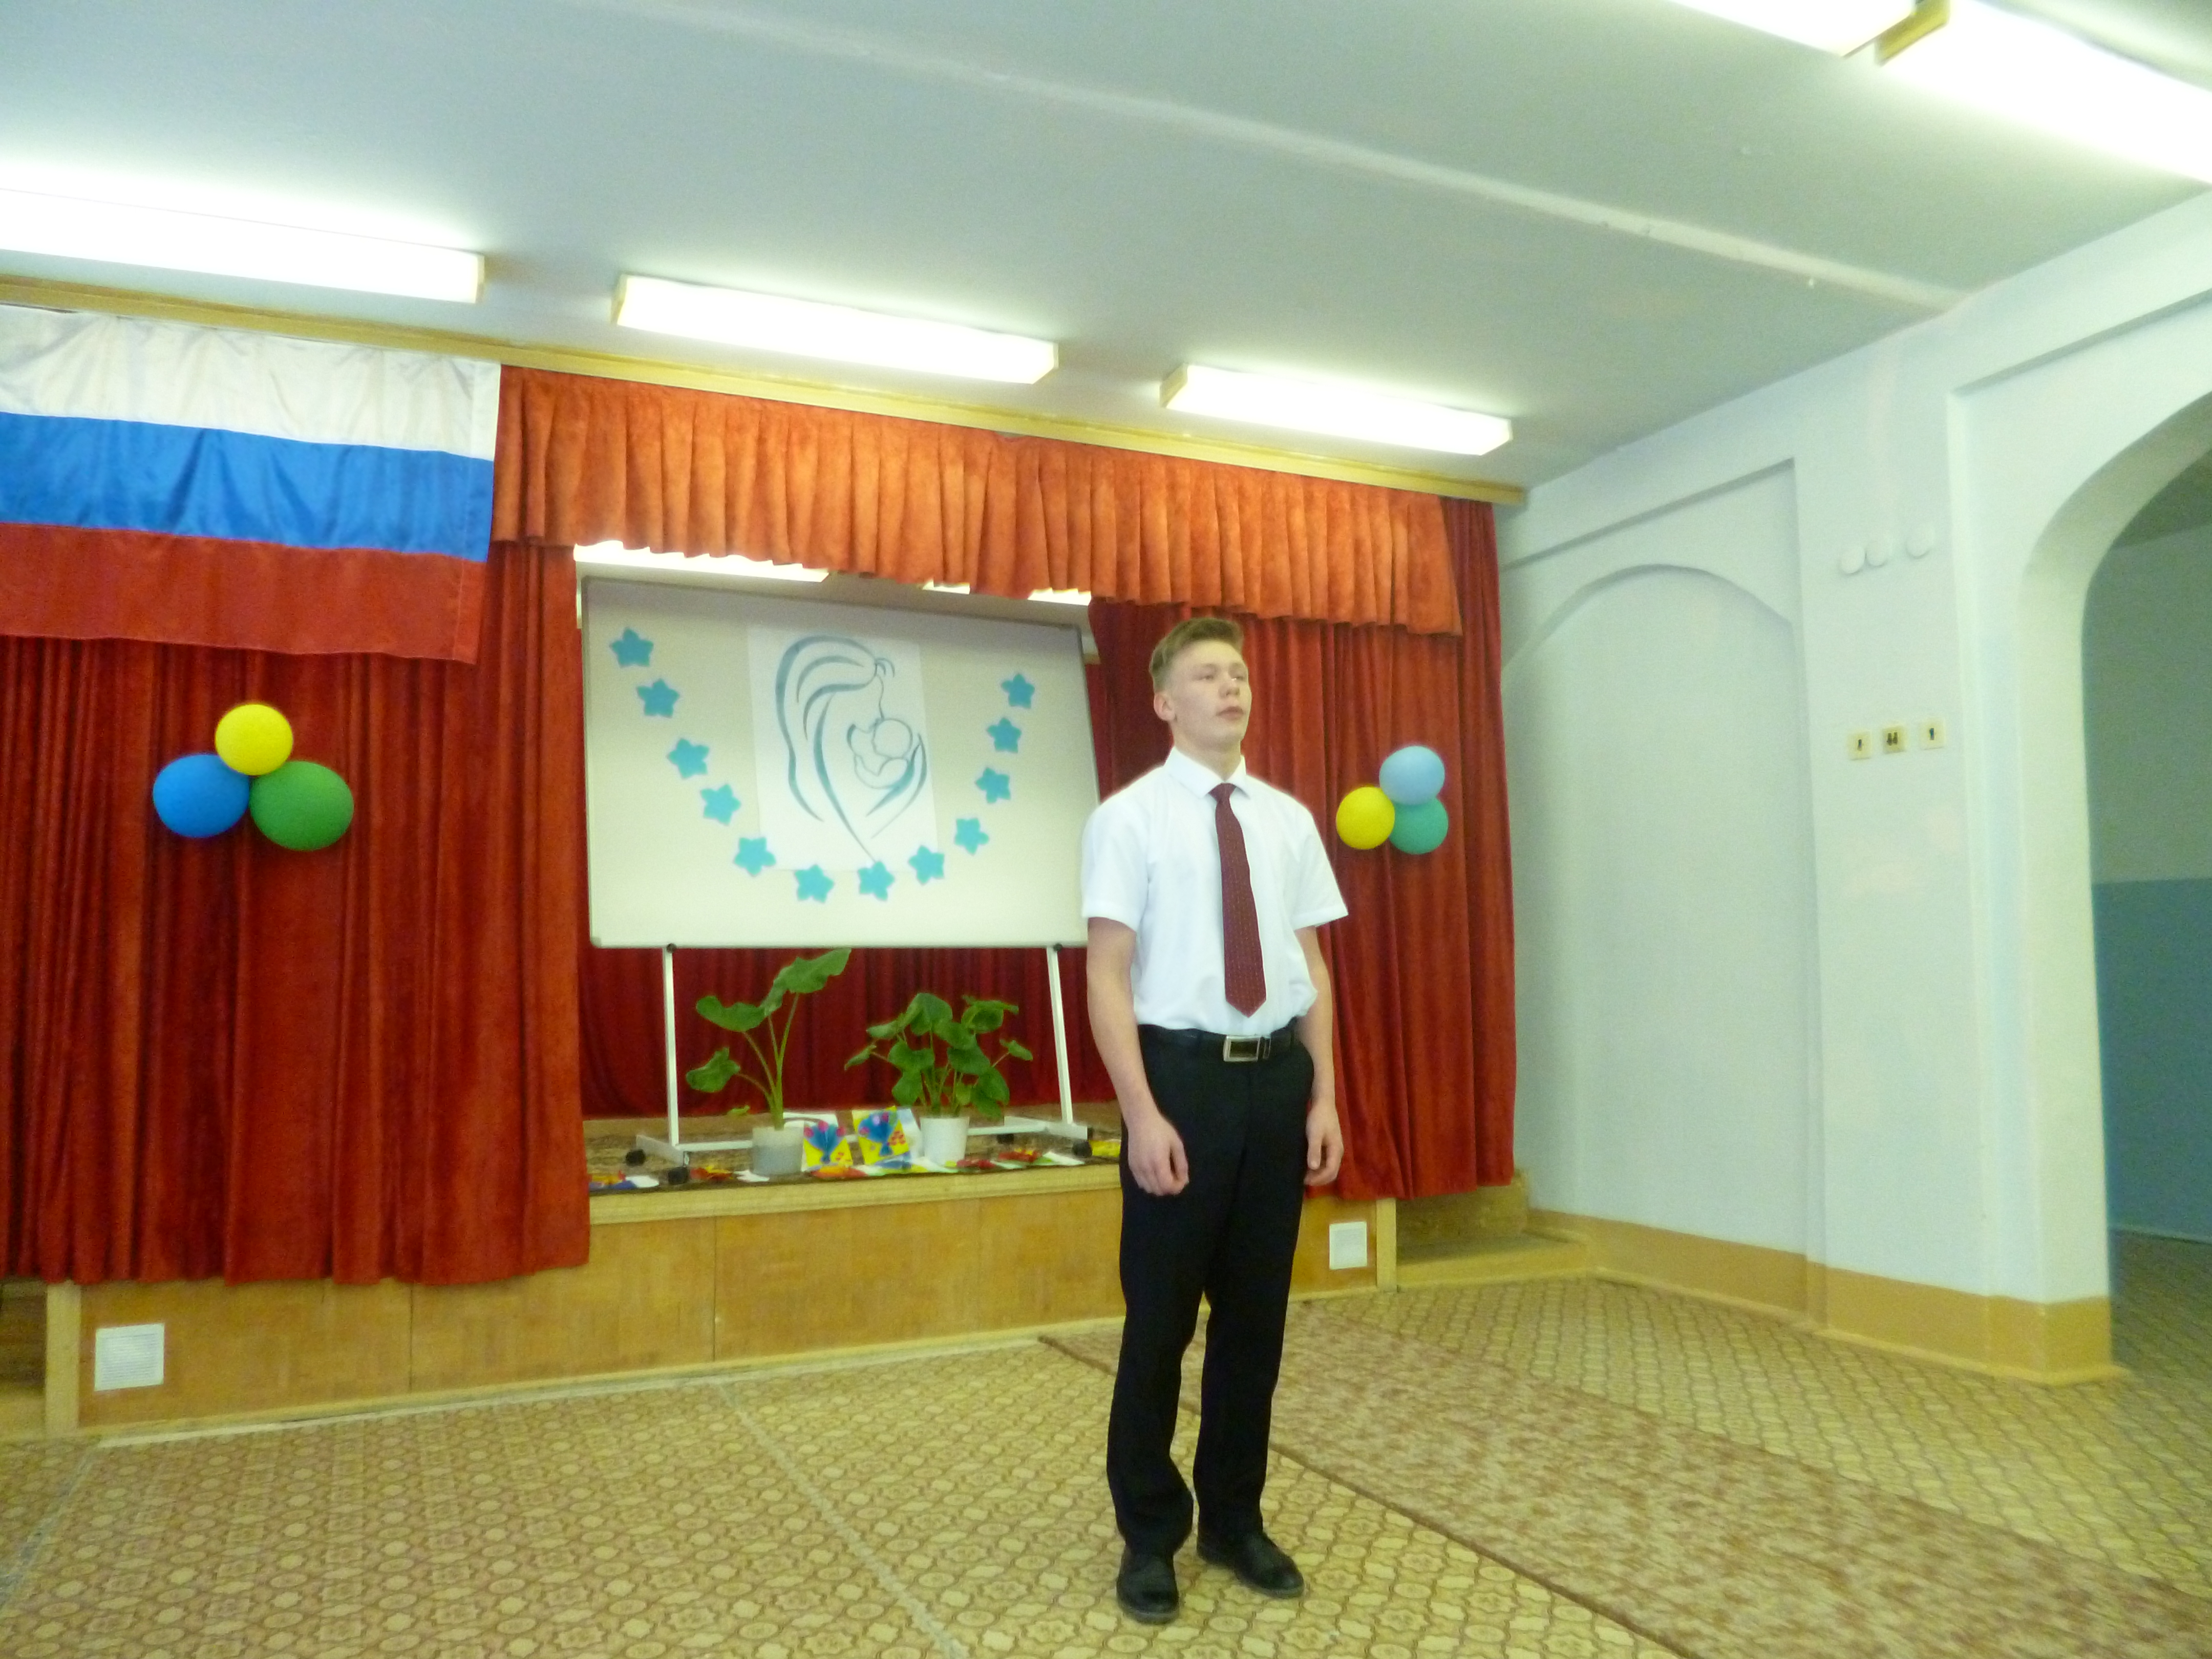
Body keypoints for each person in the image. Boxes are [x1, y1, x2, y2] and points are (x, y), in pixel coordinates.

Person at [1079, 615, 1347, 1625]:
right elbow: (1107, 974)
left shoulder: (1287, 820)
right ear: (1164, 702)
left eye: (1238, 673)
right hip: (1180, 1085)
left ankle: (1234, 1519)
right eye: (1207, 675)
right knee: (1160, 1325)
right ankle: (1150, 1534)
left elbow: (1311, 968)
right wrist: (1140, 1113)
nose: (1231, 687)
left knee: (1254, 1324)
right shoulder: (1129, 820)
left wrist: (1324, 1094)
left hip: (1275, 1083)